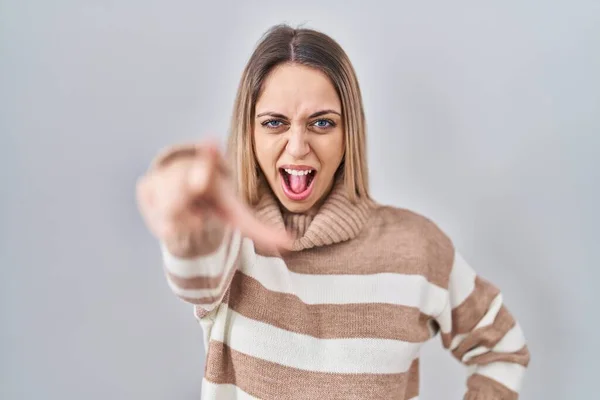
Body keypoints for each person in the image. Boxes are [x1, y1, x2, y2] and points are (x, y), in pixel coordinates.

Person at [136, 24, 530, 400]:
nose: (297, 147)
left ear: (349, 134)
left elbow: (502, 350)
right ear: (249, 132)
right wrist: (182, 202)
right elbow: (194, 263)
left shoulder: (417, 248)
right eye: (275, 123)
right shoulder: (230, 244)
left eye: (322, 123)